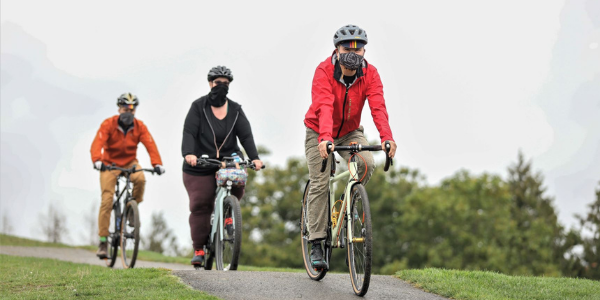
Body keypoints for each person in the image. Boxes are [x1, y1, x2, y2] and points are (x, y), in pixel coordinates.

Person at [303, 24, 398, 269]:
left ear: (364, 51)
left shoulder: (371, 74)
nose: (353, 53)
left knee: (366, 163)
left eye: (359, 49)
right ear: (337, 49)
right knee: (320, 181)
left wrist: (387, 137)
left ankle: (350, 202)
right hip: (319, 131)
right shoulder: (323, 70)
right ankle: (316, 241)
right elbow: (324, 105)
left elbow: (378, 107)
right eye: (347, 48)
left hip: (350, 132)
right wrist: (325, 137)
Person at [182, 66, 263, 267]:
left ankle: (228, 213)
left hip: (228, 159)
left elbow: (245, 136)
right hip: (200, 163)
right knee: (201, 203)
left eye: (225, 84)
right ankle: (199, 248)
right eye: (218, 83)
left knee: (237, 181)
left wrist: (255, 158)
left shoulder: (235, 110)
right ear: (210, 84)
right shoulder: (198, 107)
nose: (221, 87)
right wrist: (189, 154)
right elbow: (189, 132)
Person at [90, 93, 165, 258]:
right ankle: (103, 241)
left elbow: (150, 144)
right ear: (119, 109)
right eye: (125, 109)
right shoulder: (108, 124)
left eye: (132, 110)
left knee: (140, 179)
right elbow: (98, 143)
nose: (128, 113)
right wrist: (97, 160)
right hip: (109, 164)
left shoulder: (139, 126)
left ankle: (132, 209)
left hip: (130, 162)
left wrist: (157, 164)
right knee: (107, 200)